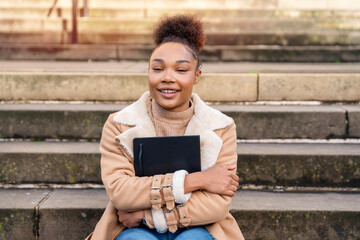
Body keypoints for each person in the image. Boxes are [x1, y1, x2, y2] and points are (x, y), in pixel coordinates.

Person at [86, 14, 245, 240]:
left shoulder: (221, 127)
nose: (168, 78)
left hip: (200, 227)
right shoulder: (119, 124)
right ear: (149, 72)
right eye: (158, 69)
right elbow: (121, 192)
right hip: (132, 229)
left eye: (181, 70)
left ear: (197, 75)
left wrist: (146, 216)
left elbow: (217, 204)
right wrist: (195, 181)